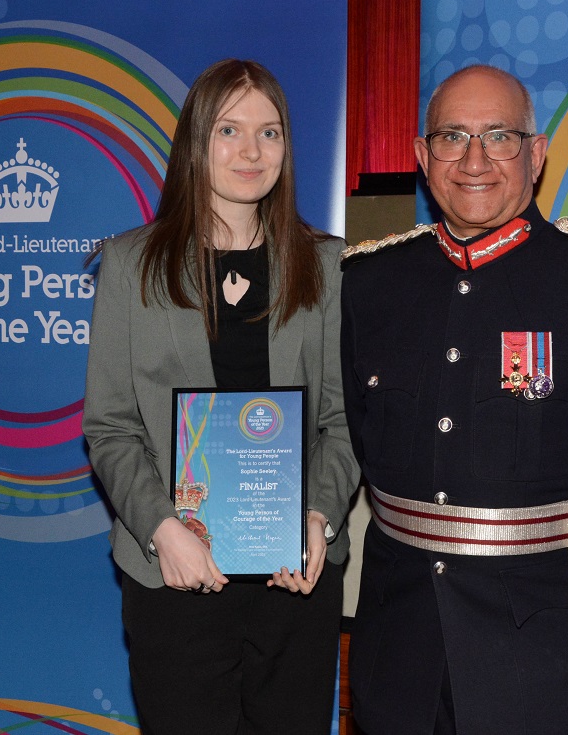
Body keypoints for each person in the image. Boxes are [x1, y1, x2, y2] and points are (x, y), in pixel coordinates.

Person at [339, 65, 568, 734]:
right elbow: (366, 443)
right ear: (422, 155)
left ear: (536, 155)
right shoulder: (370, 283)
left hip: (542, 653)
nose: (474, 160)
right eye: (452, 136)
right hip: (399, 647)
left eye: (499, 136)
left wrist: (558, 558)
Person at [83, 59, 359, 734]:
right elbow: (111, 426)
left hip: (294, 574)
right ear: (195, 142)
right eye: (229, 130)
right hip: (175, 572)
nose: (251, 151)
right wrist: (163, 530)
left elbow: (345, 418)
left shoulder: (328, 265)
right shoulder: (131, 263)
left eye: (270, 132)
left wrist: (319, 518)